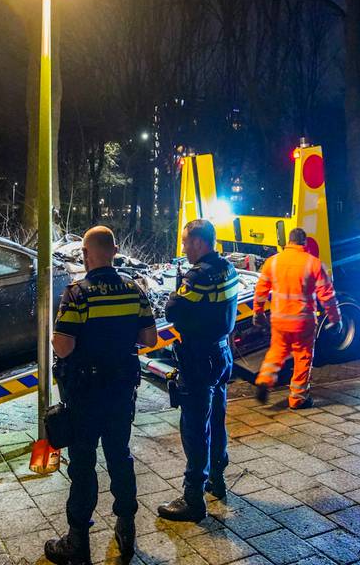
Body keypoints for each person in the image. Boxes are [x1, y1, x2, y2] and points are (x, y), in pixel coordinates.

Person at [44, 226, 158, 565]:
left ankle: (77, 540)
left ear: (87, 254)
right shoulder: (133, 289)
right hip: (122, 391)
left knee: (83, 463)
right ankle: (126, 527)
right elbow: (149, 338)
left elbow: (63, 347)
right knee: (120, 457)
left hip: (85, 393)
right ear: (115, 250)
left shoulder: (77, 293)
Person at [157, 219, 240, 522]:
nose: (183, 247)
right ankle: (216, 479)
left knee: (194, 427)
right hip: (221, 354)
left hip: (198, 358)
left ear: (200, 243)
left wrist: (177, 294)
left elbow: (172, 310)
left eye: (186, 242)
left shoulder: (198, 277)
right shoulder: (228, 268)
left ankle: (193, 498)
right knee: (217, 419)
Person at [252, 227, 340, 410]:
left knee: (277, 352)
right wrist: (335, 318)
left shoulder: (272, 262)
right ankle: (298, 398)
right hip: (303, 321)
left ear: (288, 243)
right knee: (303, 357)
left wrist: (258, 313)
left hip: (279, 320)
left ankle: (264, 380)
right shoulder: (313, 264)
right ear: (304, 243)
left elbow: (260, 291)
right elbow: (327, 295)